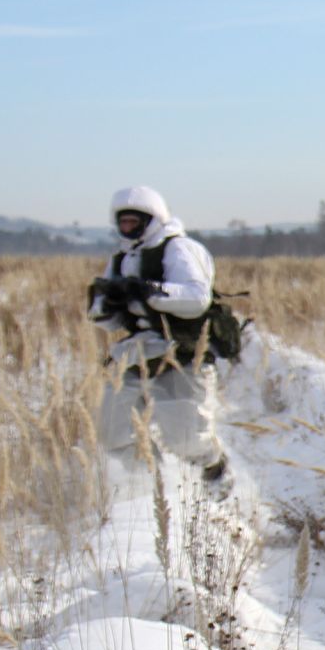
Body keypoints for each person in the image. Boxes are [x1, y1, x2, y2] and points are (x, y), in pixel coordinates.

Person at [87, 186, 229, 481]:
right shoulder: (121, 259)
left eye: (133, 222)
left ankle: (216, 471)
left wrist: (150, 293)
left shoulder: (179, 249)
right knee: (114, 433)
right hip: (134, 354)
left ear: (150, 219)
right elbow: (106, 319)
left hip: (181, 352)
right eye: (122, 222)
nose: (127, 228)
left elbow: (196, 298)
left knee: (188, 440)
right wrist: (110, 305)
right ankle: (147, 489)